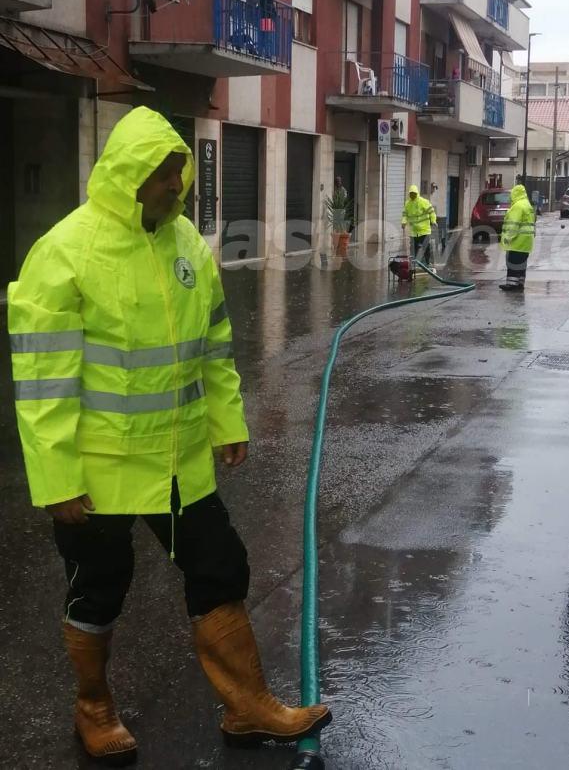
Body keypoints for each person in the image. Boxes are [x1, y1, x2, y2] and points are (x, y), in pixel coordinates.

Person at [8, 107, 330, 764]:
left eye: (179, 175)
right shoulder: (65, 252)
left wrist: (226, 420)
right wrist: (56, 480)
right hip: (97, 470)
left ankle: (247, 707)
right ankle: (93, 707)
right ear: (130, 176)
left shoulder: (185, 242)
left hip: (181, 460)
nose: (176, 188)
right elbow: (43, 382)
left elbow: (213, 343)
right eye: (164, 176)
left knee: (220, 567)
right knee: (99, 586)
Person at [499, 183, 536, 292]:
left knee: (513, 262)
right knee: (521, 263)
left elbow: (513, 224)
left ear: (515, 194)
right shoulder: (527, 205)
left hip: (517, 241)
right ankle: (520, 283)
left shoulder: (518, 206)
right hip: (526, 242)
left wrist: (507, 238)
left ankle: (511, 284)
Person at [401, 184, 438, 265]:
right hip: (414, 231)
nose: (412, 195)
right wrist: (403, 222)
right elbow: (405, 215)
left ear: (417, 193)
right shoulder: (407, 204)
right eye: (411, 194)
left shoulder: (423, 202)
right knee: (414, 249)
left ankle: (429, 263)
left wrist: (433, 221)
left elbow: (431, 212)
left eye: (413, 193)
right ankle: (415, 264)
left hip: (424, 230)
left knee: (426, 247)